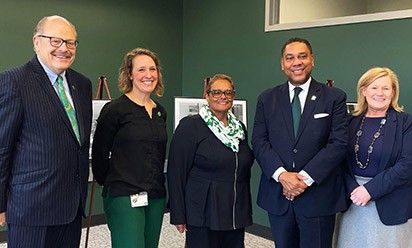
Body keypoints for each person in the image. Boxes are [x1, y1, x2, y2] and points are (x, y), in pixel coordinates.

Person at [0, 15, 92, 247]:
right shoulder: (13, 81)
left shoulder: (82, 84)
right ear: (36, 42)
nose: (64, 48)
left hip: (72, 206)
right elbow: (2, 149)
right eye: (55, 41)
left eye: (70, 42)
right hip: (32, 208)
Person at [252, 37, 348, 248]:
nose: (296, 62)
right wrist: (282, 176)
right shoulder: (267, 99)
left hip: (318, 198)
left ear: (312, 60)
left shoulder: (333, 97)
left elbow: (339, 143)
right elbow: (259, 141)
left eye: (302, 56)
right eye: (290, 58)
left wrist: (303, 179)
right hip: (278, 196)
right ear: (282, 64)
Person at [92, 47, 167, 248]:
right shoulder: (115, 109)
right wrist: (112, 182)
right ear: (130, 74)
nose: (148, 75)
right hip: (124, 195)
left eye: (152, 69)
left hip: (155, 195)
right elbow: (99, 153)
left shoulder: (160, 112)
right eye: (141, 69)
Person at [167, 74, 254, 248]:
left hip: (235, 210)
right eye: (216, 92)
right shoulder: (191, 126)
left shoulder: (239, 128)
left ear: (233, 96)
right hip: (204, 211)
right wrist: (178, 214)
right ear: (206, 96)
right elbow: (176, 172)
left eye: (228, 92)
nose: (223, 96)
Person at [336, 67, 412, 248]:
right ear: (363, 90)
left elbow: (408, 163)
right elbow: (338, 160)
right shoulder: (349, 121)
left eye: (386, 88)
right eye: (374, 87)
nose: (380, 93)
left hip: (390, 202)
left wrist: (370, 190)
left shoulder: (405, 122)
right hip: (352, 201)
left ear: (393, 92)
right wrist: (353, 189)